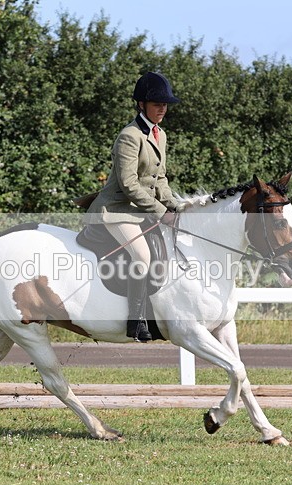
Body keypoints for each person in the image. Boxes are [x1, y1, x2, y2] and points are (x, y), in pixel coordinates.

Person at [85, 71, 182, 342]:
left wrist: (175, 206)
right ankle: (137, 322)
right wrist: (160, 212)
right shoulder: (129, 136)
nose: (162, 108)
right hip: (117, 210)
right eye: (156, 104)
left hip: (139, 210)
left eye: (165, 104)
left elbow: (159, 178)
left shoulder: (159, 134)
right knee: (142, 255)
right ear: (141, 104)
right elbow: (129, 184)